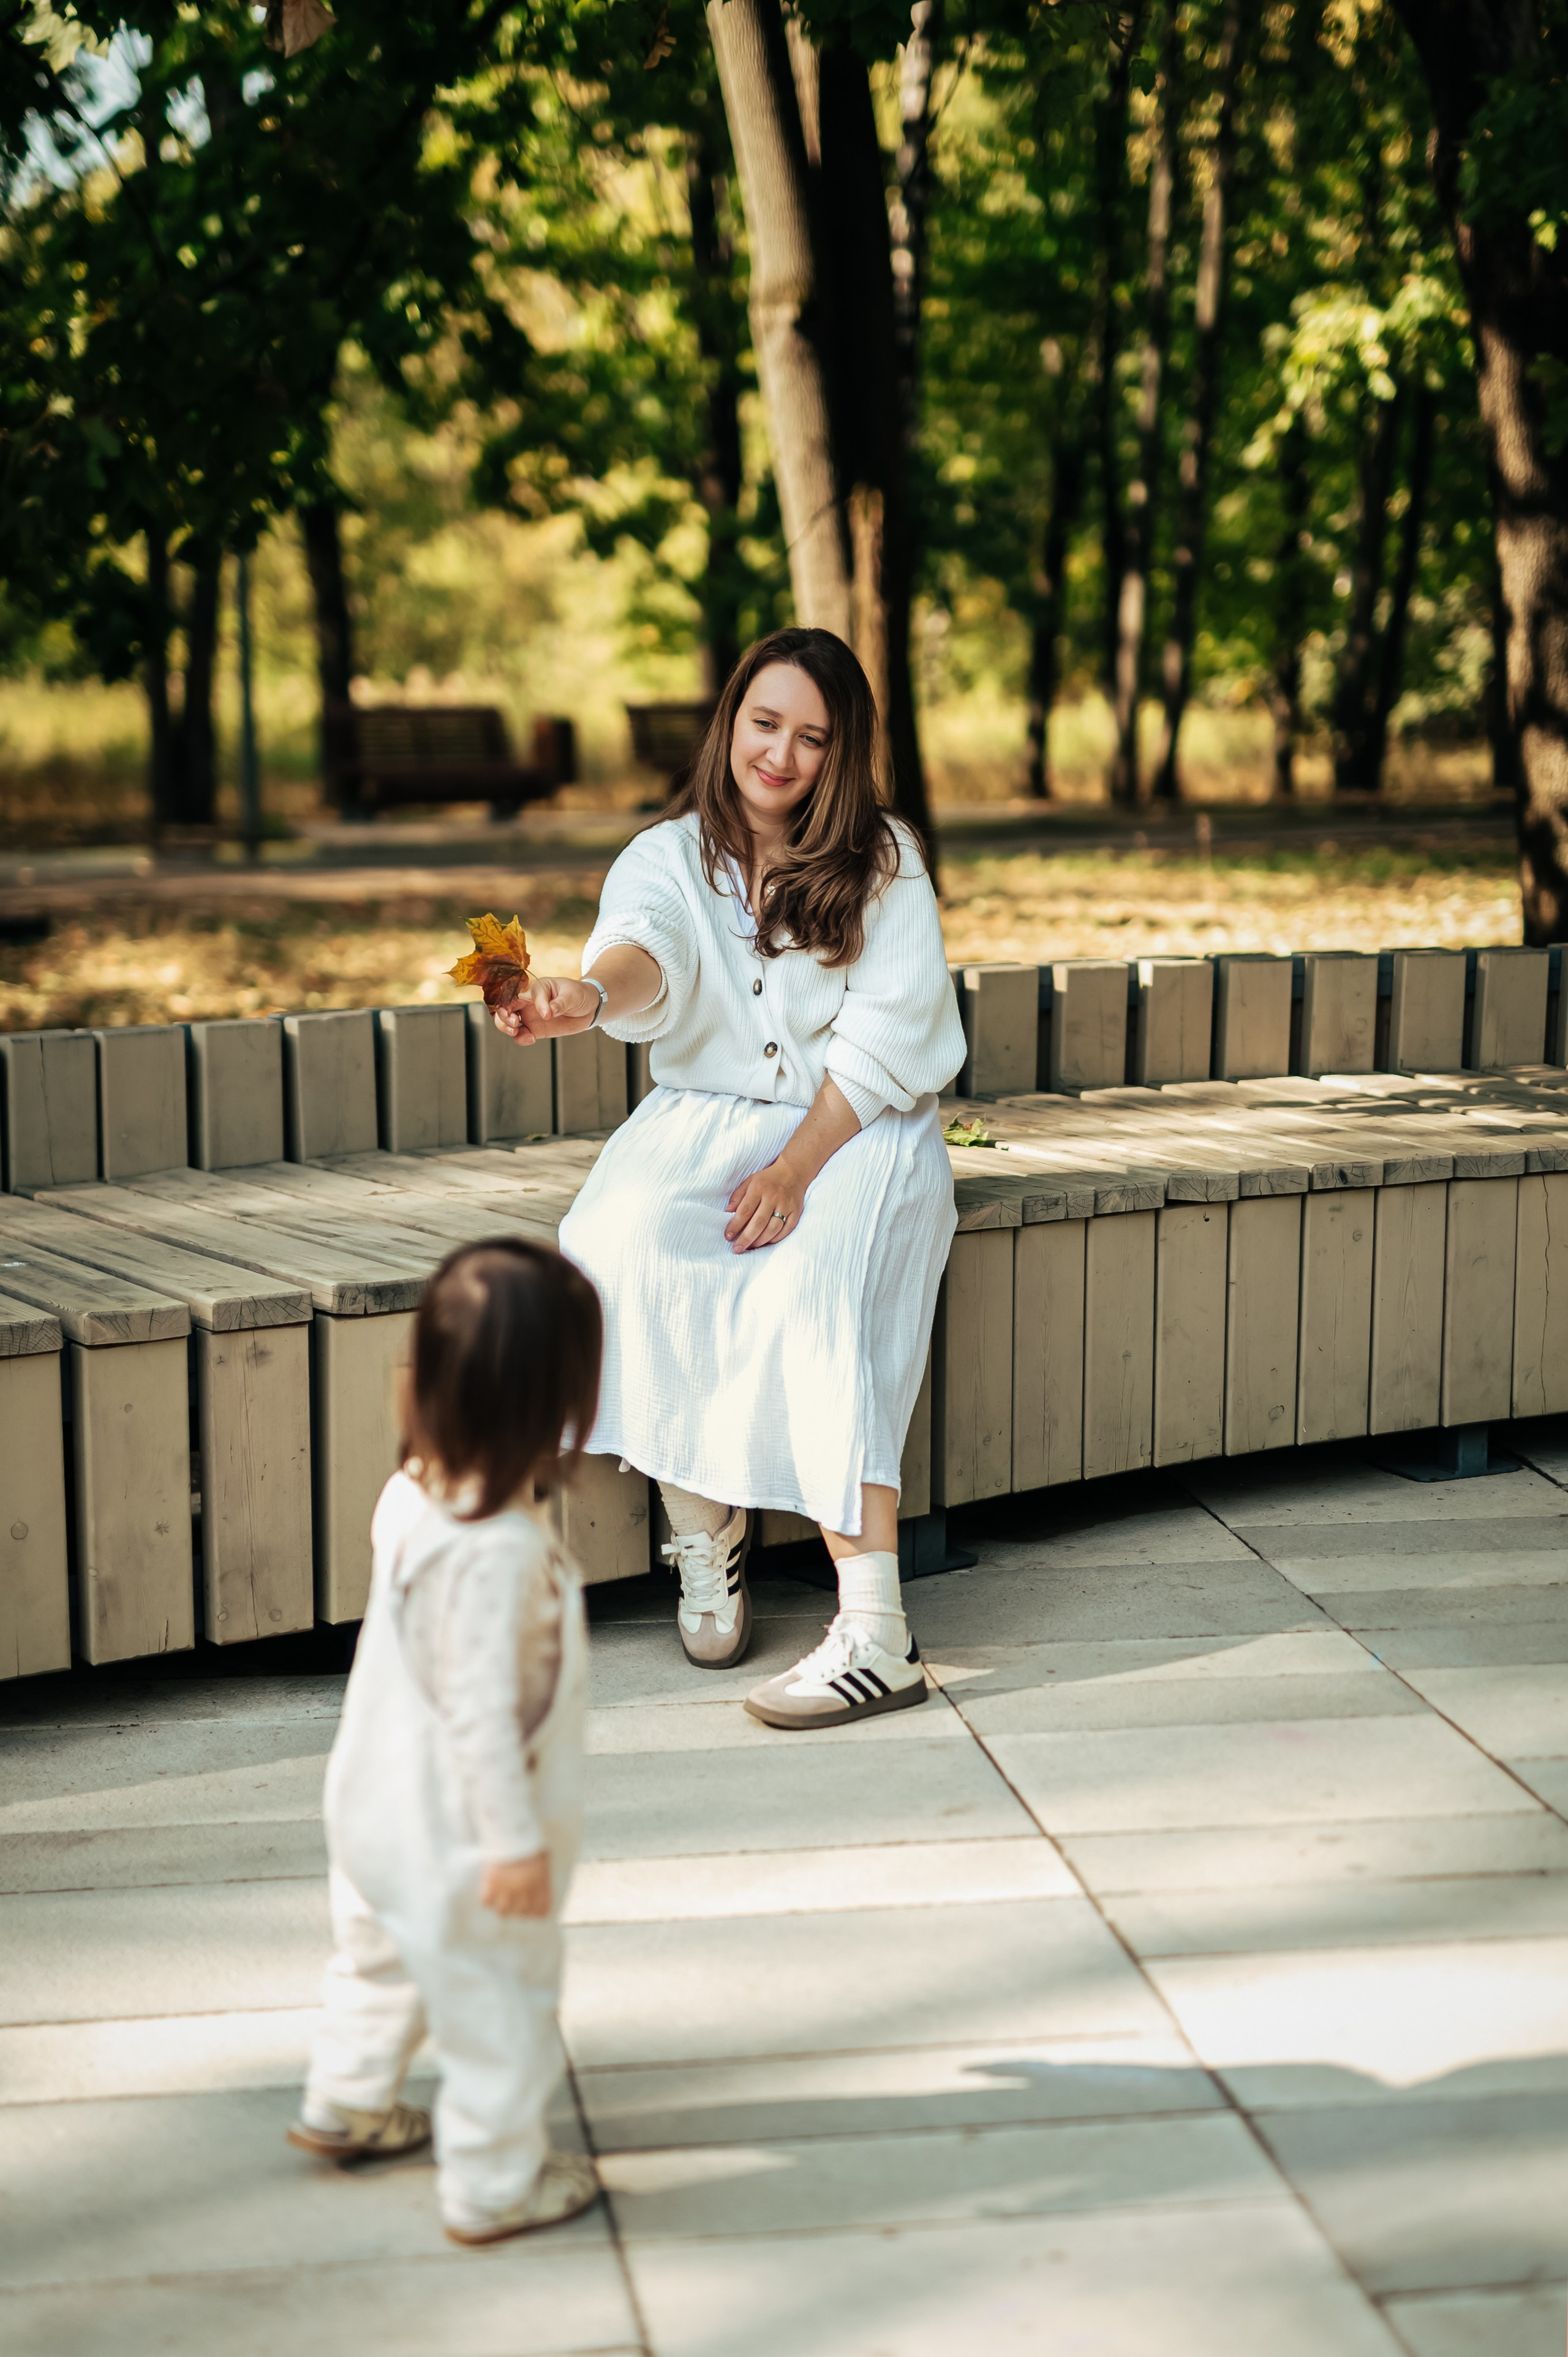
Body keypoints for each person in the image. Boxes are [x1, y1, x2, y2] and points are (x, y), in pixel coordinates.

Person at [494, 626, 965, 1730]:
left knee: (815, 1285)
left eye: (812, 737)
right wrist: (586, 998)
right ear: (731, 724)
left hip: (858, 1126)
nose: (781, 755)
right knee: (617, 1239)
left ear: (840, 753)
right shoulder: (666, 856)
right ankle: (705, 1525)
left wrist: (799, 1168)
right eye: (765, 724)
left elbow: (890, 1040)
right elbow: (643, 949)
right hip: (702, 1121)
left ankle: (876, 1629)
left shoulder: (884, 859)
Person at [287, 1239, 602, 2247]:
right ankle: (496, 2180)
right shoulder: (499, 1552)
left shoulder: (414, 1490)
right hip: (461, 1834)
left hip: (373, 1806)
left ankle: (346, 2099)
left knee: (377, 1960)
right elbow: (476, 1711)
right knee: (500, 2000)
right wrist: (510, 1844)